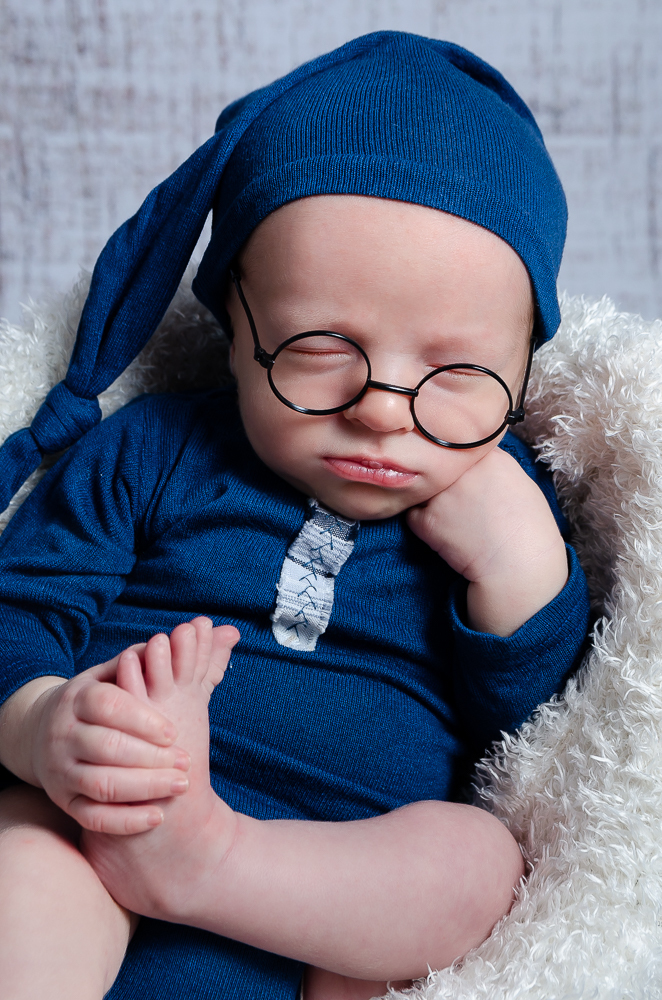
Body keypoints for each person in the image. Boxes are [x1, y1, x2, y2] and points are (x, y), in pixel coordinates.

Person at [0, 31, 591, 1000]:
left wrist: (522, 573)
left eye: (456, 372)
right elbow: (20, 606)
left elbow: (537, 739)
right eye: (319, 349)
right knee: (26, 846)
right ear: (235, 324)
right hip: (106, 826)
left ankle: (212, 862)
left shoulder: (507, 506)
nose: (381, 409)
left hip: (326, 906)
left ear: (524, 367)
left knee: (481, 861)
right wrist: (39, 725)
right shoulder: (157, 447)